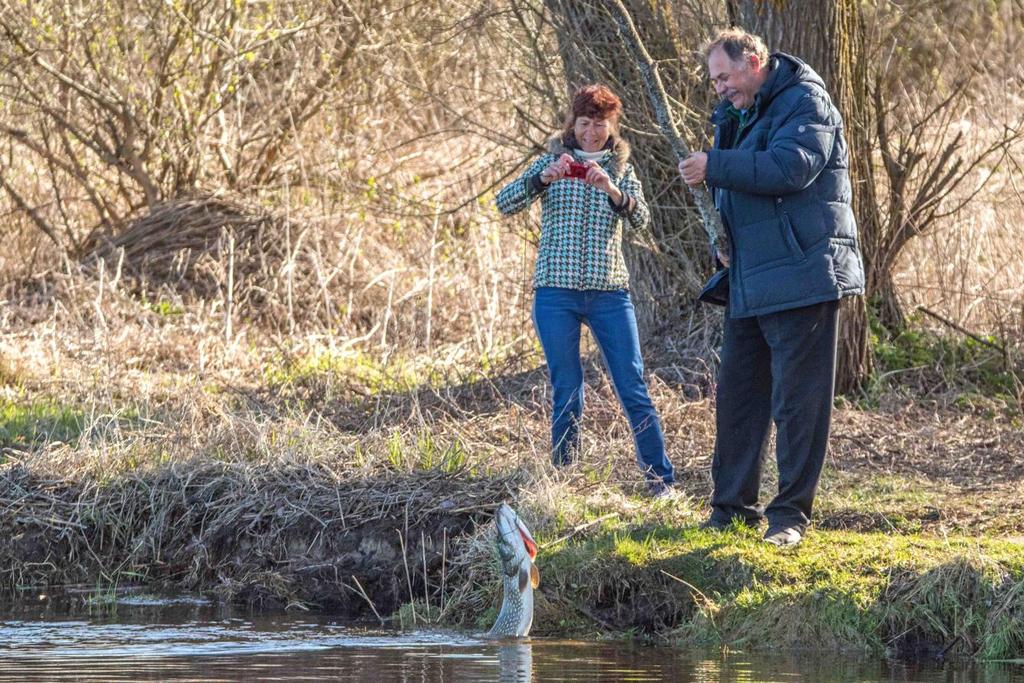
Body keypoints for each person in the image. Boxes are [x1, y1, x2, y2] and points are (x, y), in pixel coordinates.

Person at [679, 29, 865, 545]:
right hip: (750, 276)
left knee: (797, 404)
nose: (718, 88)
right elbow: (745, 194)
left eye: (724, 76)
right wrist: (727, 241)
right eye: (714, 79)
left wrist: (714, 165)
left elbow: (791, 167)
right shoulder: (734, 116)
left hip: (804, 273)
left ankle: (789, 520)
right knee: (738, 398)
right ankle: (730, 511)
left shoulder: (806, 100)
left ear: (755, 61)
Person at [496, 84, 676, 497]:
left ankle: (660, 481)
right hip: (555, 293)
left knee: (632, 385)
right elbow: (504, 204)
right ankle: (564, 478)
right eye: (584, 124)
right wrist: (543, 179)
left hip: (610, 293)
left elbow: (643, 221)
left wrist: (612, 191)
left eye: (600, 124)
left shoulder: (622, 170)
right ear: (571, 125)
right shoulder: (552, 162)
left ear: (611, 127)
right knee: (567, 385)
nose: (591, 132)